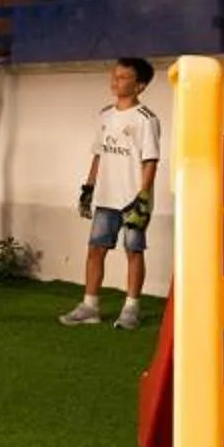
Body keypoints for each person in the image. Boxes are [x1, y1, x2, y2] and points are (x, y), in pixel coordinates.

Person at [61, 57, 162, 330]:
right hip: (106, 197)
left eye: (123, 77)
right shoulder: (105, 115)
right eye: (114, 75)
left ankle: (131, 309)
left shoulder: (146, 120)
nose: (115, 81)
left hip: (132, 200)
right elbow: (99, 154)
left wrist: (143, 197)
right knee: (95, 250)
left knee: (133, 251)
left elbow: (150, 160)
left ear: (139, 85)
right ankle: (90, 306)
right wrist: (89, 188)